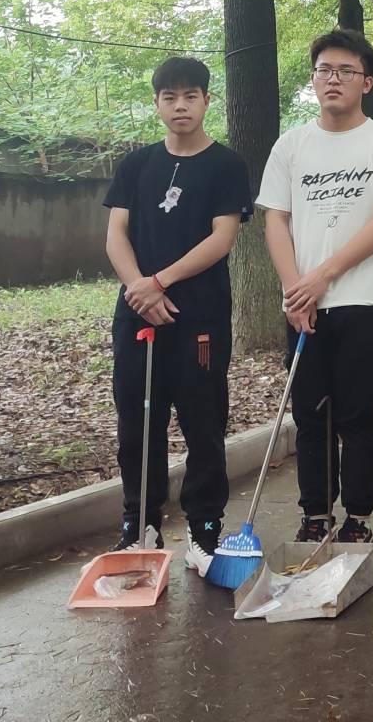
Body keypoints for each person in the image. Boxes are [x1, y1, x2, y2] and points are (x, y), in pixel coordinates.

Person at [257, 29, 373, 545]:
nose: (334, 79)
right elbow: (276, 220)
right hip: (304, 306)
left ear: (366, 82)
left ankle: (358, 518)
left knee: (357, 413)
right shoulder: (291, 145)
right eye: (325, 70)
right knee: (310, 414)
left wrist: (322, 276)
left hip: (365, 300)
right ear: (313, 78)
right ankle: (315, 514)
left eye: (347, 71)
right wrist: (294, 290)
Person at [103, 57, 252, 575]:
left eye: (190, 96)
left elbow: (222, 238)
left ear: (207, 101)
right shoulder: (136, 164)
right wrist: (138, 288)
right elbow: (116, 234)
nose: (180, 106)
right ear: (157, 103)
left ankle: (204, 527)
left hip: (199, 317)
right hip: (137, 313)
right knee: (137, 419)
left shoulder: (226, 165)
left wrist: (159, 282)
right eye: (170, 97)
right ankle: (139, 523)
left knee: (203, 420)